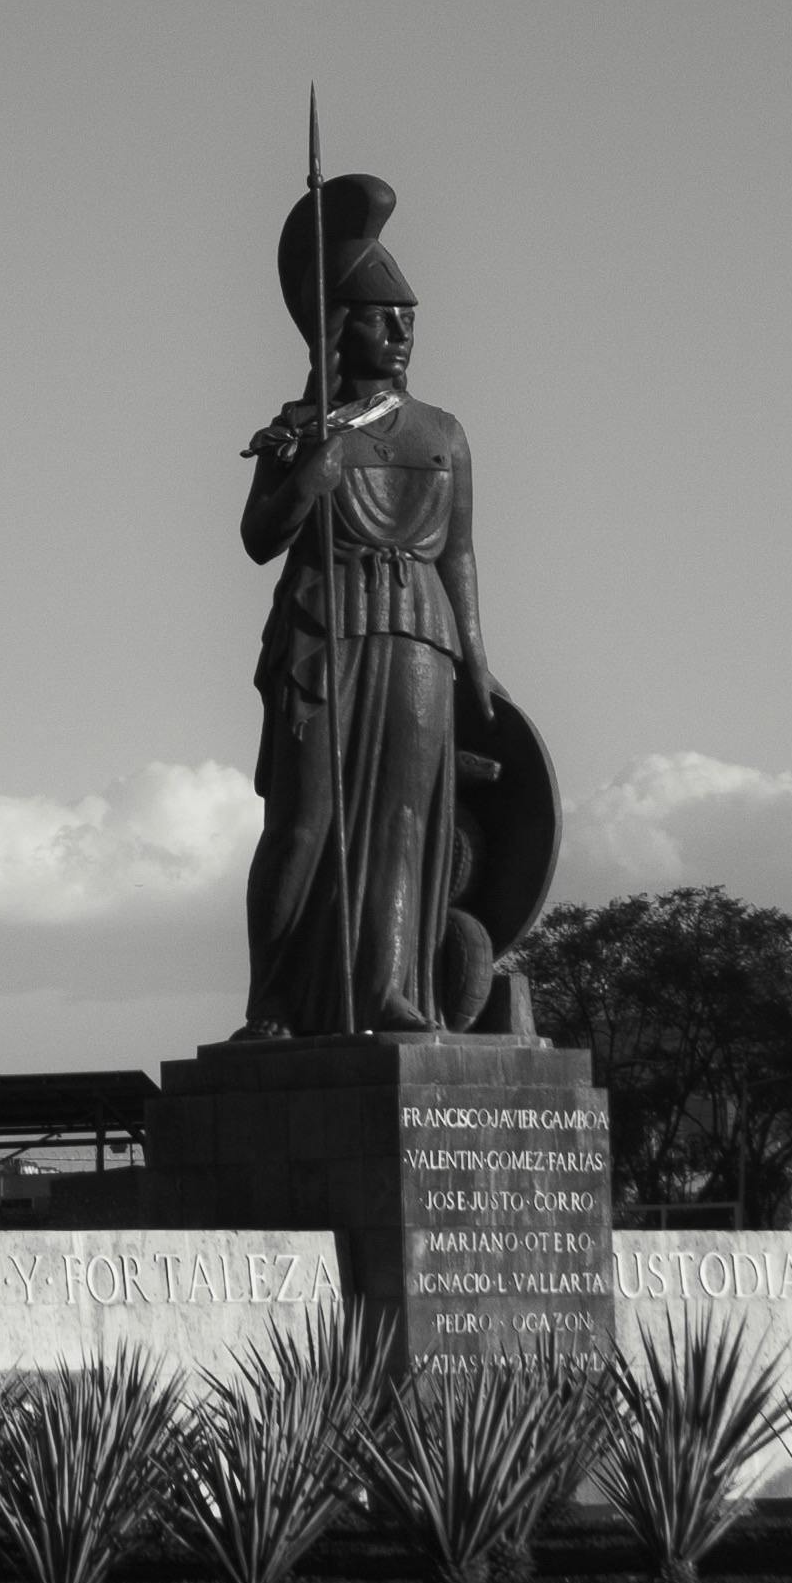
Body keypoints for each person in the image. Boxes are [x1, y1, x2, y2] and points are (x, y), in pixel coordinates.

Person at [239, 175, 494, 1036]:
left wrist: (480, 667)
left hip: (419, 632)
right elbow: (259, 536)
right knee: (305, 821)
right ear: (340, 324)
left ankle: (389, 988)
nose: (400, 333)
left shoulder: (443, 433)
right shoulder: (300, 428)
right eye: (382, 317)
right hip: (326, 625)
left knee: (403, 823)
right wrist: (312, 472)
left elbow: (458, 556)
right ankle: (272, 1000)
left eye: (409, 318)